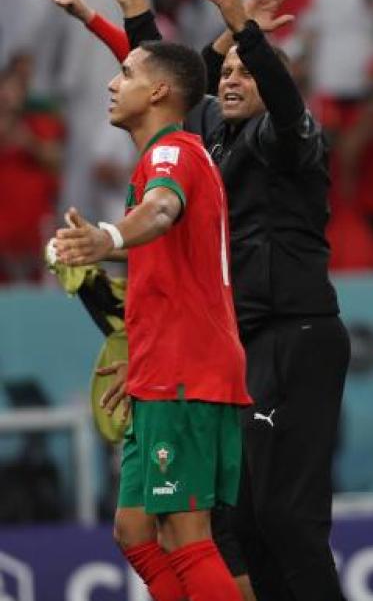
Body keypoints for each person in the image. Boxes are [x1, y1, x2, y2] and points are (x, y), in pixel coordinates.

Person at [97, 0, 350, 600]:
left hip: (297, 335)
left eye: (246, 72)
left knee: (286, 520)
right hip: (238, 342)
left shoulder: (291, 143)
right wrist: (134, 11)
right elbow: (169, 86)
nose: (232, 79)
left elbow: (285, 105)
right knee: (230, 522)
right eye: (227, 72)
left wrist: (246, 29)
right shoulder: (208, 143)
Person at [53, 39, 248, 601]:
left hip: (187, 371)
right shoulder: (162, 158)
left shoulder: (172, 155)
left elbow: (161, 212)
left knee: (187, 539)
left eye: (126, 73)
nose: (113, 84)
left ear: (158, 90)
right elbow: (169, 269)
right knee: (134, 530)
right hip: (163, 367)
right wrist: (140, 357)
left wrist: (107, 236)